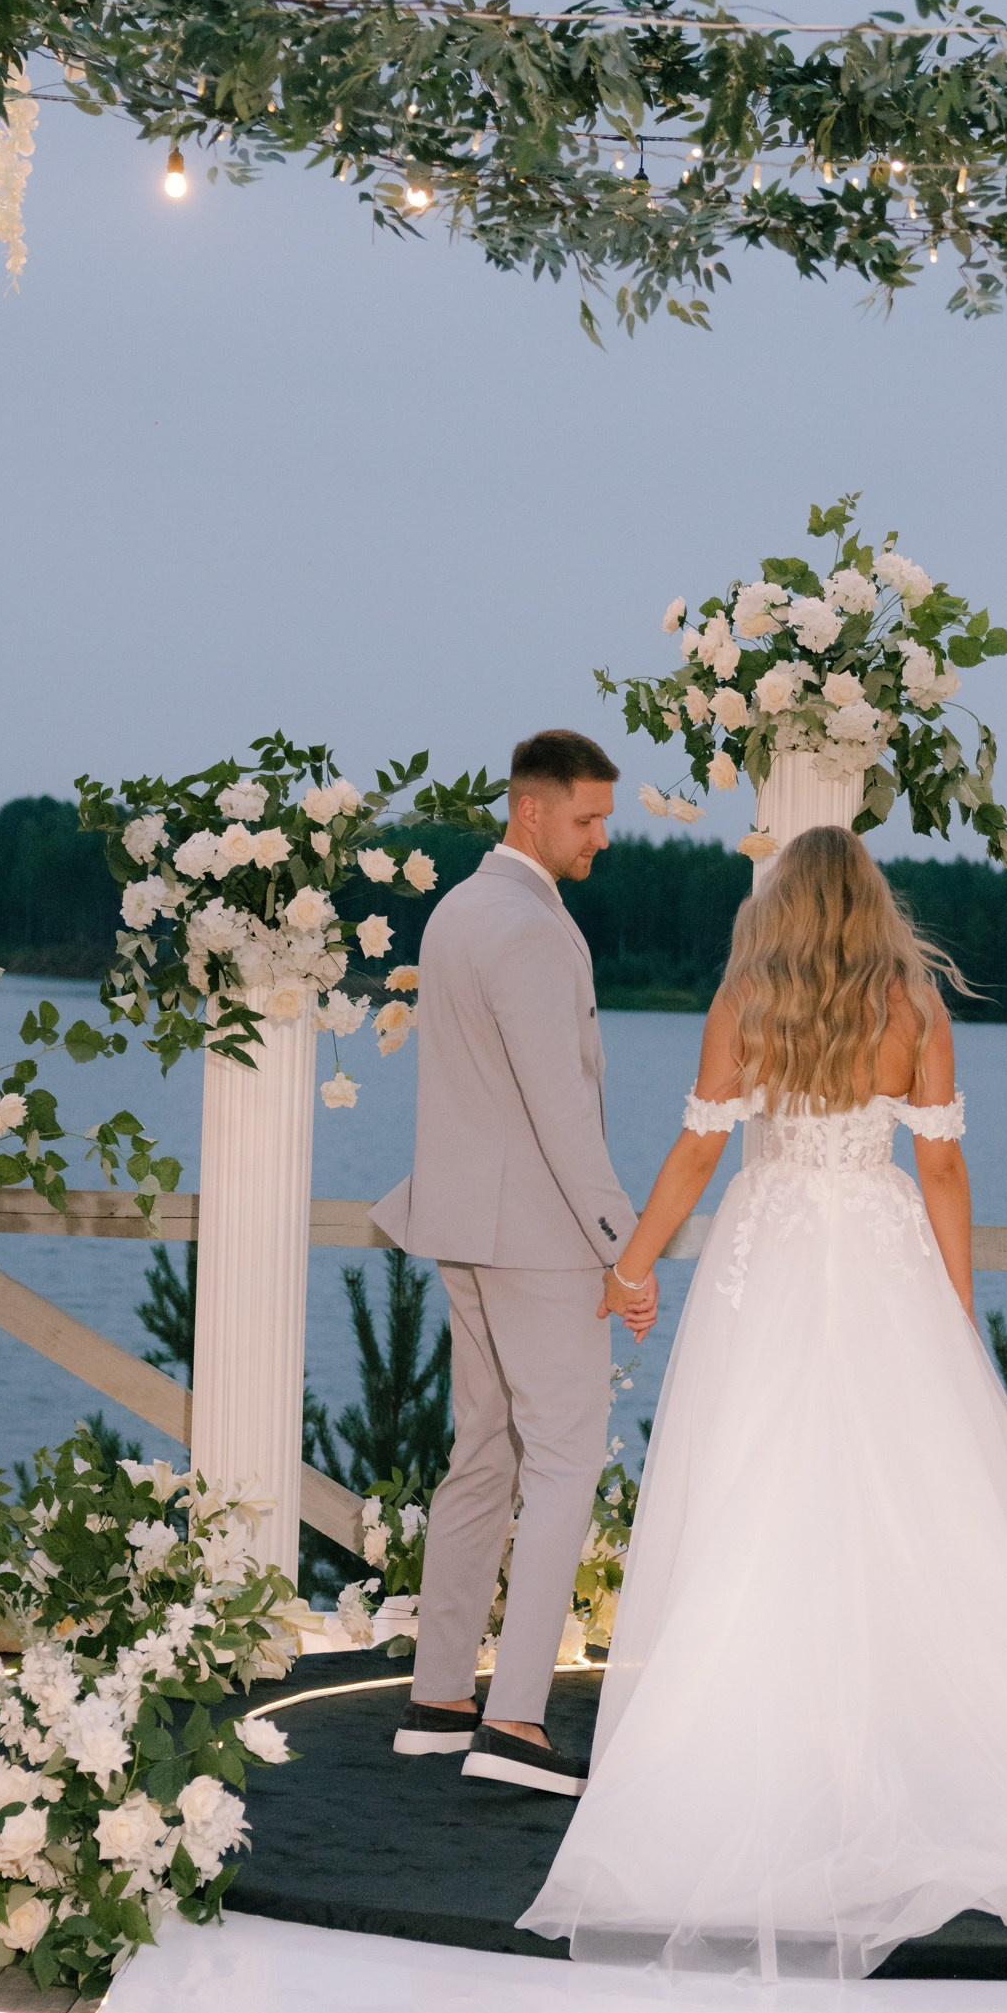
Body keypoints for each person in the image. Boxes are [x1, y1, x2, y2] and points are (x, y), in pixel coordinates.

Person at [521, 823, 1007, 1975]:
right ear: (873, 901)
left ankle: (756, 1754)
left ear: (782, 901)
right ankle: (931, 1744)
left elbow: (695, 1154)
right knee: (918, 1505)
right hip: (881, 1253)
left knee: (760, 1493)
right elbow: (940, 1166)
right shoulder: (915, 1005)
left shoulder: (747, 996)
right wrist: (958, 1308)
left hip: (775, 1247)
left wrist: (633, 1265)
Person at [372, 730, 657, 1795]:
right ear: (531, 812)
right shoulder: (533, 930)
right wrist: (622, 1248)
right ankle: (517, 1724)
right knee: (563, 1460)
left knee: (482, 1452)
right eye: (587, 819)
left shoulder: (455, 909)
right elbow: (561, 1107)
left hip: (463, 1228)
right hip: (535, 1239)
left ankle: (440, 1699)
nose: (600, 839)